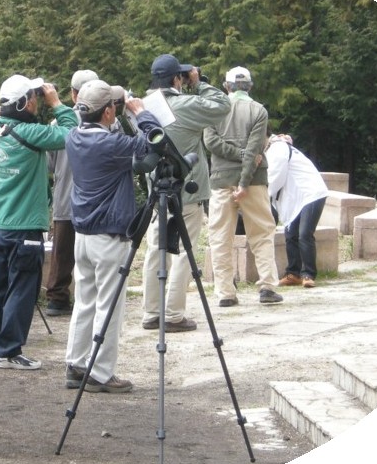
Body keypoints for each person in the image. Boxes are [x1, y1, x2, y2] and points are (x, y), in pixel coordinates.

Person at [65, 79, 160, 393]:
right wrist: (140, 112)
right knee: (109, 307)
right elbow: (154, 142)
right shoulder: (110, 145)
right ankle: (101, 373)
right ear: (108, 112)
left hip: (84, 235)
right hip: (108, 236)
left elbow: (114, 135)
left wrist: (117, 111)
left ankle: (77, 364)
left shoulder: (74, 137)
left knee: (85, 303)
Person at [0, 74, 79, 370]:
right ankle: (8, 351)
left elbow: (0, 113)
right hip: (25, 226)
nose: (37, 100)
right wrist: (58, 104)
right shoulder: (33, 133)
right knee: (22, 287)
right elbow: (71, 133)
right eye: (33, 97)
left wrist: (1, 110)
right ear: (24, 103)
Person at [139, 54, 232, 332]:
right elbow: (222, 104)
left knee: (156, 251)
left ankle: (151, 312)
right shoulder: (185, 104)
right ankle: (174, 315)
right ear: (177, 79)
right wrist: (201, 82)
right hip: (187, 193)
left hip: (156, 190)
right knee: (181, 254)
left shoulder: (142, 107)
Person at [203, 66, 283, 307]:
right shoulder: (259, 110)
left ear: (226, 86)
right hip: (255, 181)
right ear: (250, 86)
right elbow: (255, 149)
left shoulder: (214, 110)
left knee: (220, 237)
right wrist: (244, 181)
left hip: (220, 180)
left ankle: (226, 292)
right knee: (262, 233)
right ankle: (267, 286)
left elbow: (210, 142)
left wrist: (235, 158)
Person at [44, 69, 99, 317]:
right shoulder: (107, 122)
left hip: (66, 196)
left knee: (62, 251)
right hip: (97, 200)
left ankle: (57, 297)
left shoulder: (58, 124)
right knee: (96, 251)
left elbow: (49, 165)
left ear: (73, 94)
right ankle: (93, 296)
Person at [266, 134, 329, 288]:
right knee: (291, 234)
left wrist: (263, 195)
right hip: (297, 198)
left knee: (304, 233)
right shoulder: (274, 148)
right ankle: (293, 274)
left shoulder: (278, 147)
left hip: (312, 193)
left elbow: (275, 177)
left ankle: (308, 274)